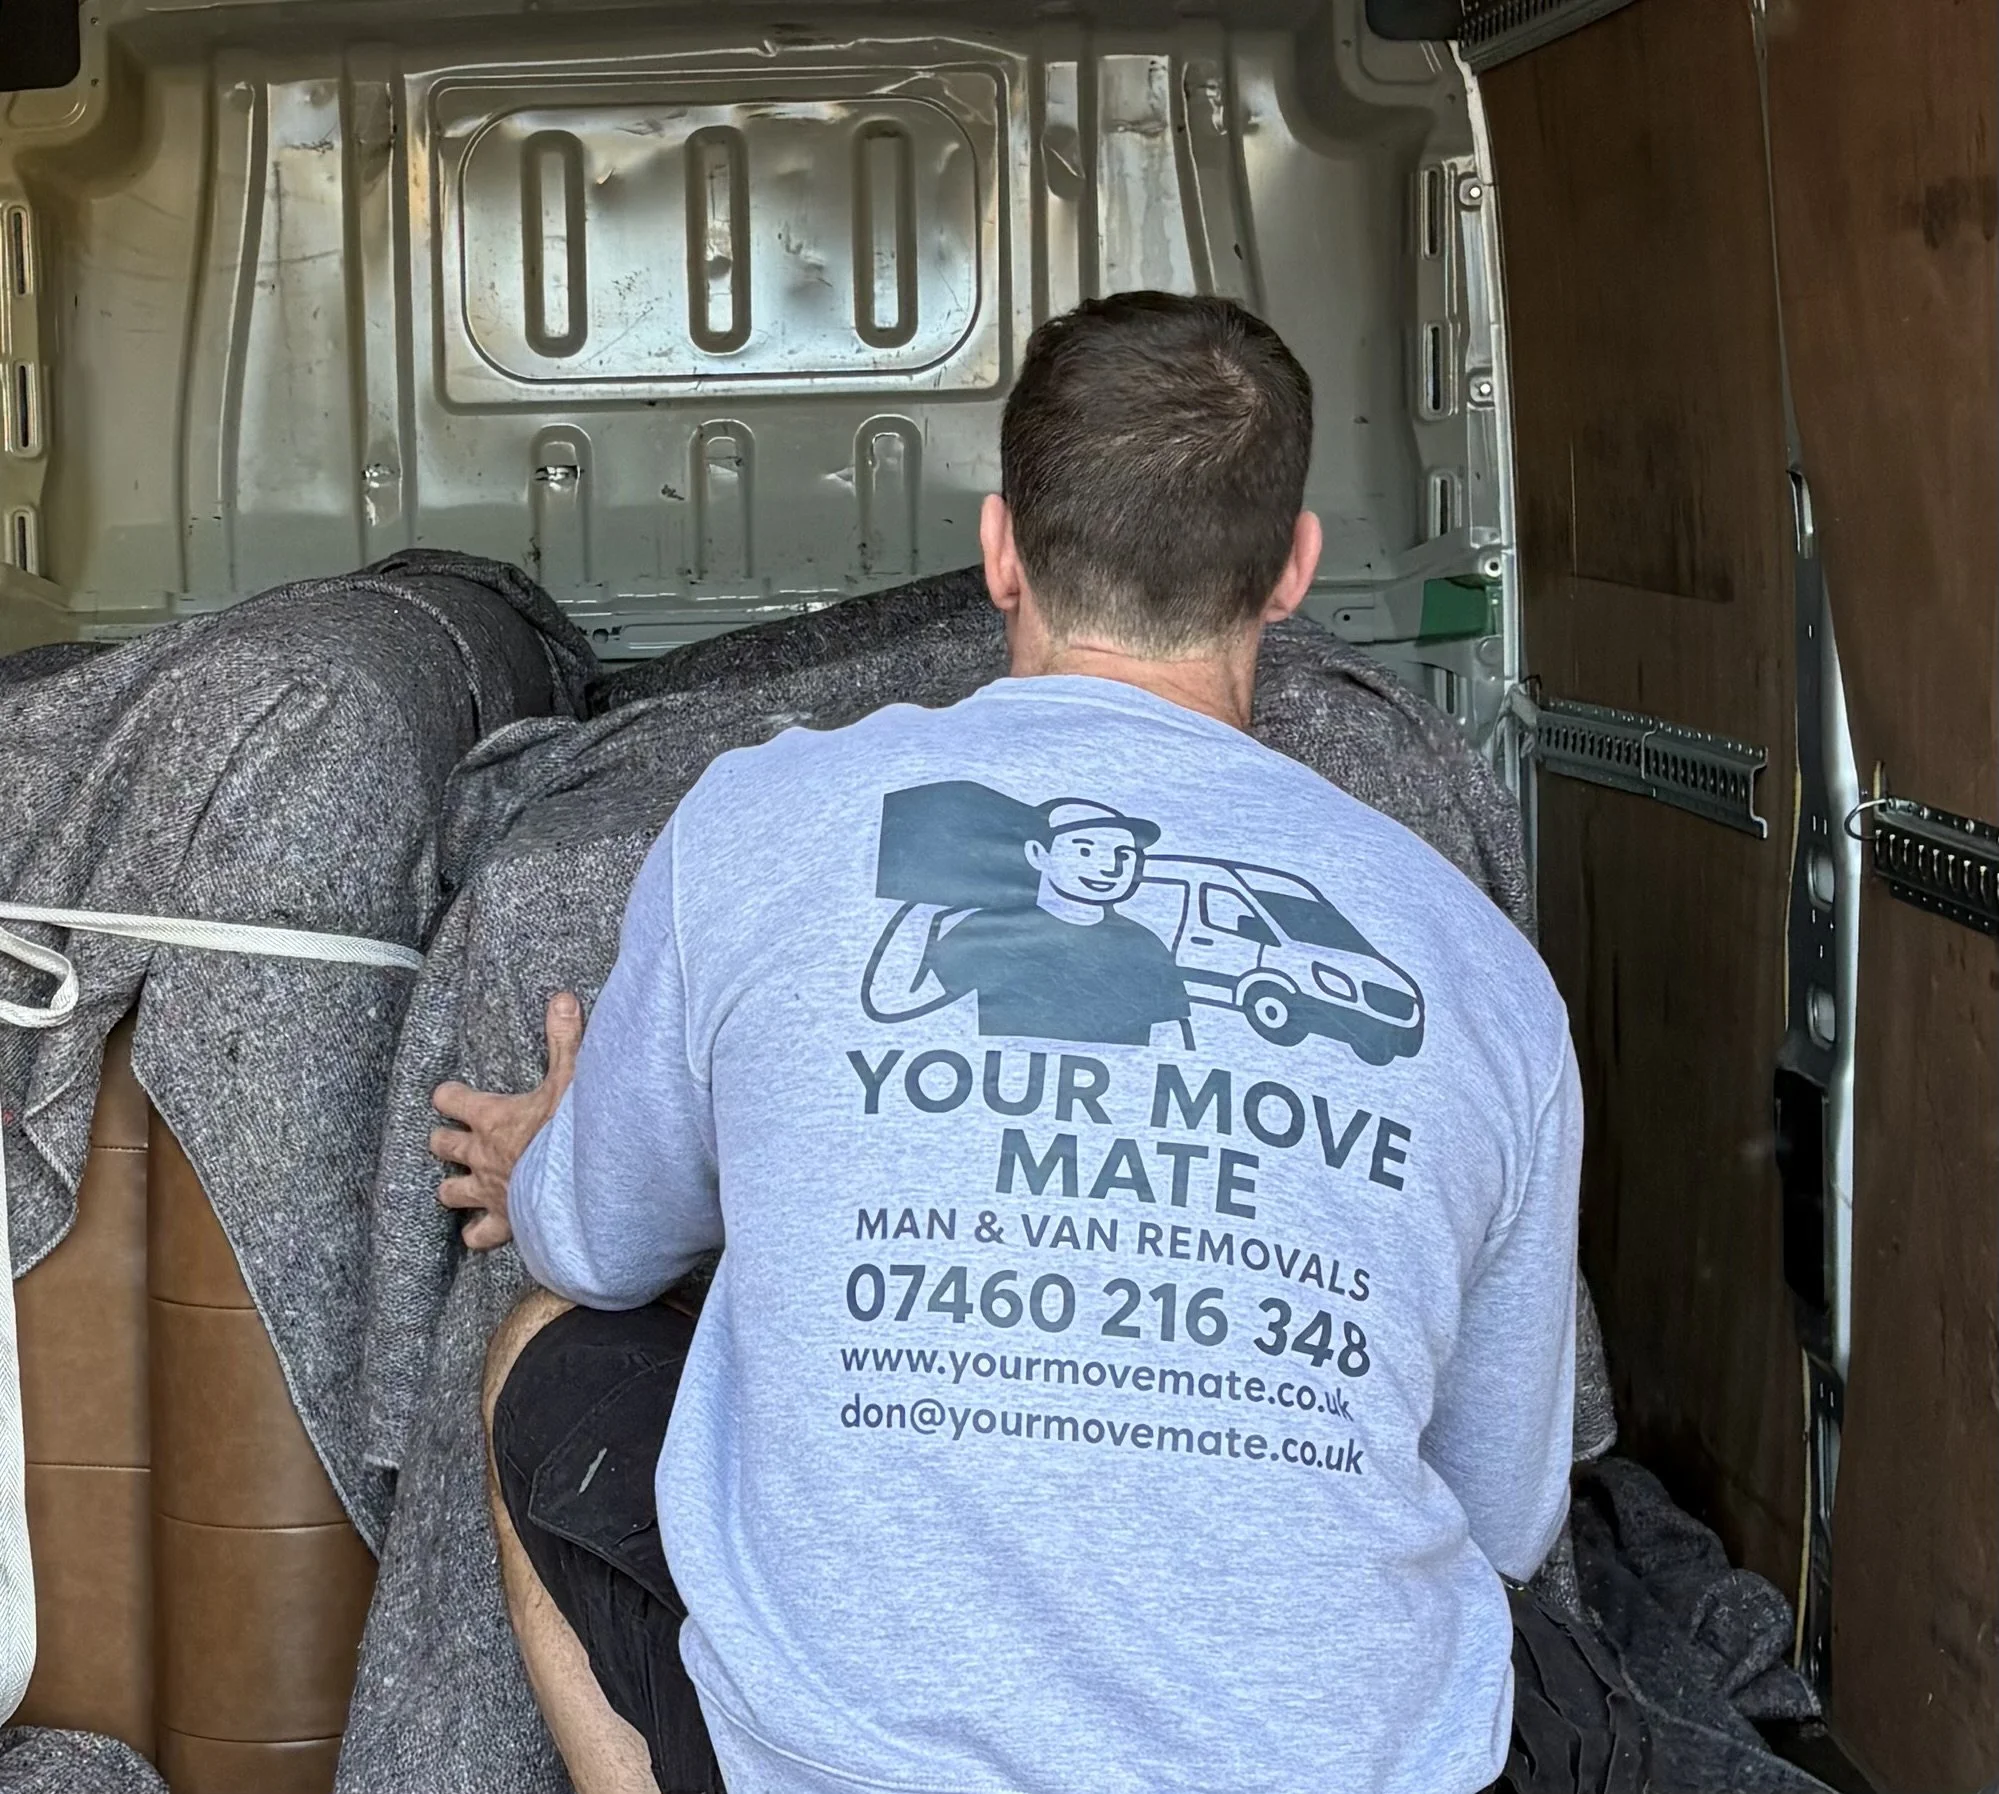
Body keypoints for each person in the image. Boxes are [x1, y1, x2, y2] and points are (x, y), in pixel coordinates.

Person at [433, 290, 1581, 1794]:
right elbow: (1501, 1514)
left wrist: (554, 1152)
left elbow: (595, 1250)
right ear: (1291, 571)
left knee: (542, 1345)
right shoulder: (1476, 963)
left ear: (997, 550)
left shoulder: (764, 824)